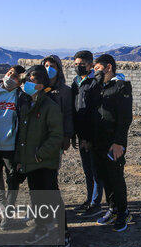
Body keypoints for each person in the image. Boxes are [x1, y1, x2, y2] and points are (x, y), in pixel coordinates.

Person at [15, 66, 70, 247]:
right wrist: (21, 158)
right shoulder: (25, 103)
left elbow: (56, 135)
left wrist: (40, 154)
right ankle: (42, 226)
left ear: (41, 84)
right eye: (27, 80)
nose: (28, 84)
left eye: (33, 81)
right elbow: (22, 135)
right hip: (31, 160)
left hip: (44, 160)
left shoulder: (50, 106)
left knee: (52, 196)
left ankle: (63, 231)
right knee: (36, 196)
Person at [91, 54, 133, 232]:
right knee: (104, 177)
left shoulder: (121, 87)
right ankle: (112, 209)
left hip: (113, 143)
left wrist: (118, 143)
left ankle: (123, 211)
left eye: (97, 68)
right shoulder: (100, 87)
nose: (95, 72)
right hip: (98, 141)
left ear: (108, 67)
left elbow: (125, 118)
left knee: (115, 177)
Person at [0, 65, 29, 229]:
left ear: (19, 83)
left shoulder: (21, 97)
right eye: (9, 73)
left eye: (16, 77)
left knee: (12, 182)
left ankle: (7, 216)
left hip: (11, 148)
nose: (10, 77)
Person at [71, 50, 104, 217]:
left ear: (91, 65)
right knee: (87, 170)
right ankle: (89, 199)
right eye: (76, 64)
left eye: (82, 64)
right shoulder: (76, 83)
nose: (78, 67)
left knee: (96, 170)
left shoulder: (95, 83)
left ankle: (96, 203)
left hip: (92, 137)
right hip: (81, 136)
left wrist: (89, 138)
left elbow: (95, 114)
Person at [41, 55, 74, 152]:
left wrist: (67, 136)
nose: (48, 69)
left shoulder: (66, 91)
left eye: (52, 66)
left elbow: (68, 113)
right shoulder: (38, 88)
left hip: (56, 134)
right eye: (46, 66)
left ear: (58, 69)